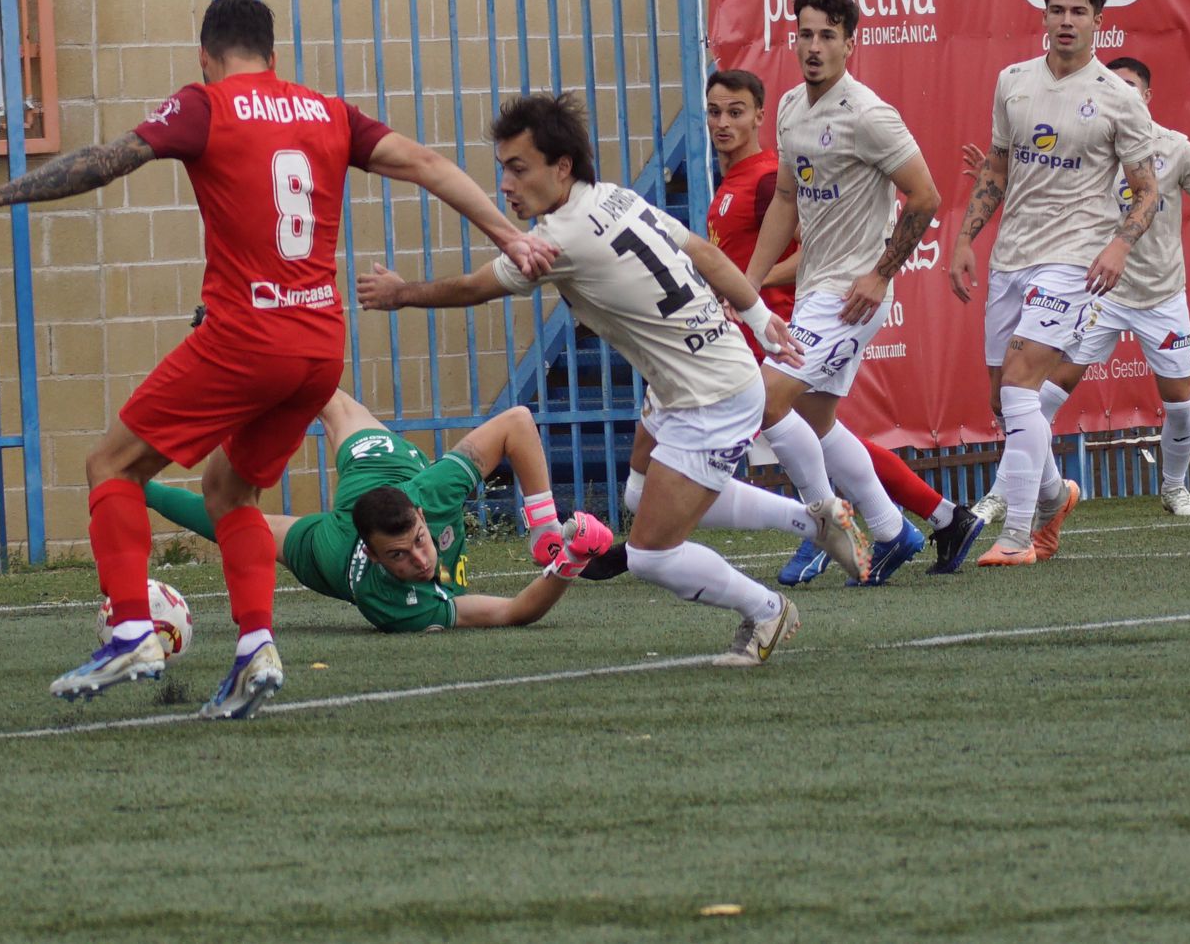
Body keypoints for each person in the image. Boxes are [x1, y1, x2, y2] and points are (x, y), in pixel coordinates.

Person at [0, 0, 557, 718]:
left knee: (111, 466)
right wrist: (510, 236)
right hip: (320, 348)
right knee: (230, 494)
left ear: (205, 55)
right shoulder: (328, 111)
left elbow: (107, 161)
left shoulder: (206, 105)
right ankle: (257, 646)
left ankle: (131, 626)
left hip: (247, 337)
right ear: (275, 56)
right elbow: (427, 163)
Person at [361, 91, 848, 668]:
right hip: (690, 381)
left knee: (650, 556)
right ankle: (811, 519)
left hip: (708, 398)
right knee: (640, 496)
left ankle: (766, 610)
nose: (508, 186)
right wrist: (762, 319)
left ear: (561, 166)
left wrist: (401, 295)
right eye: (503, 171)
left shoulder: (558, 241)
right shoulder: (615, 198)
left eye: (519, 169)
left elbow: (473, 288)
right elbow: (703, 255)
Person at [966, 58, 1190, 523]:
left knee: (1179, 404)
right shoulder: (1089, 143)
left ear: (1147, 97)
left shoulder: (1175, 150)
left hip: (1161, 296)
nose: (1120, 93)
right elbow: (1044, 185)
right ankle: (1007, 492)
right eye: (1113, 86)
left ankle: (1174, 487)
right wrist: (1002, 177)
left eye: (1130, 87)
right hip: (1098, 290)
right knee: (1038, 397)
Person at [698, 68, 984, 584]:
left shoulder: (861, 117)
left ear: (848, 43)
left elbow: (924, 196)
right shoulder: (788, 119)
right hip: (811, 299)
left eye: (735, 111)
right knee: (818, 424)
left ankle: (826, 529)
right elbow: (788, 208)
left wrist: (878, 273)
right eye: (714, 111)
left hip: (834, 302)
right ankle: (925, 523)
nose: (723, 122)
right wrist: (744, 290)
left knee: (769, 404)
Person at [945, 0, 1159, 567]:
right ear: (1043, 16)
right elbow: (996, 166)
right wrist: (965, 238)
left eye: (1079, 12)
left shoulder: (1118, 98)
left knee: (1020, 385)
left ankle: (1017, 536)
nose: (1066, 21)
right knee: (1002, 399)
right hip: (1012, 254)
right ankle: (1054, 495)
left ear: (1099, 21)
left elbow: (1146, 190)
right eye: (1057, 9)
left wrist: (1117, 246)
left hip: (1073, 258)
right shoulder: (1012, 82)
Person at [142, 389, 610, 632]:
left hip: (383, 472)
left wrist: (545, 529)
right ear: (375, 554)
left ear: (422, 519)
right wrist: (568, 564)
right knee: (239, 526)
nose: (420, 560)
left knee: (325, 396)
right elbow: (510, 613)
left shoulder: (432, 492)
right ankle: (136, 485)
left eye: (418, 542)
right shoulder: (389, 602)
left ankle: (252, 350)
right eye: (399, 556)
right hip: (333, 546)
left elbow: (518, 423)